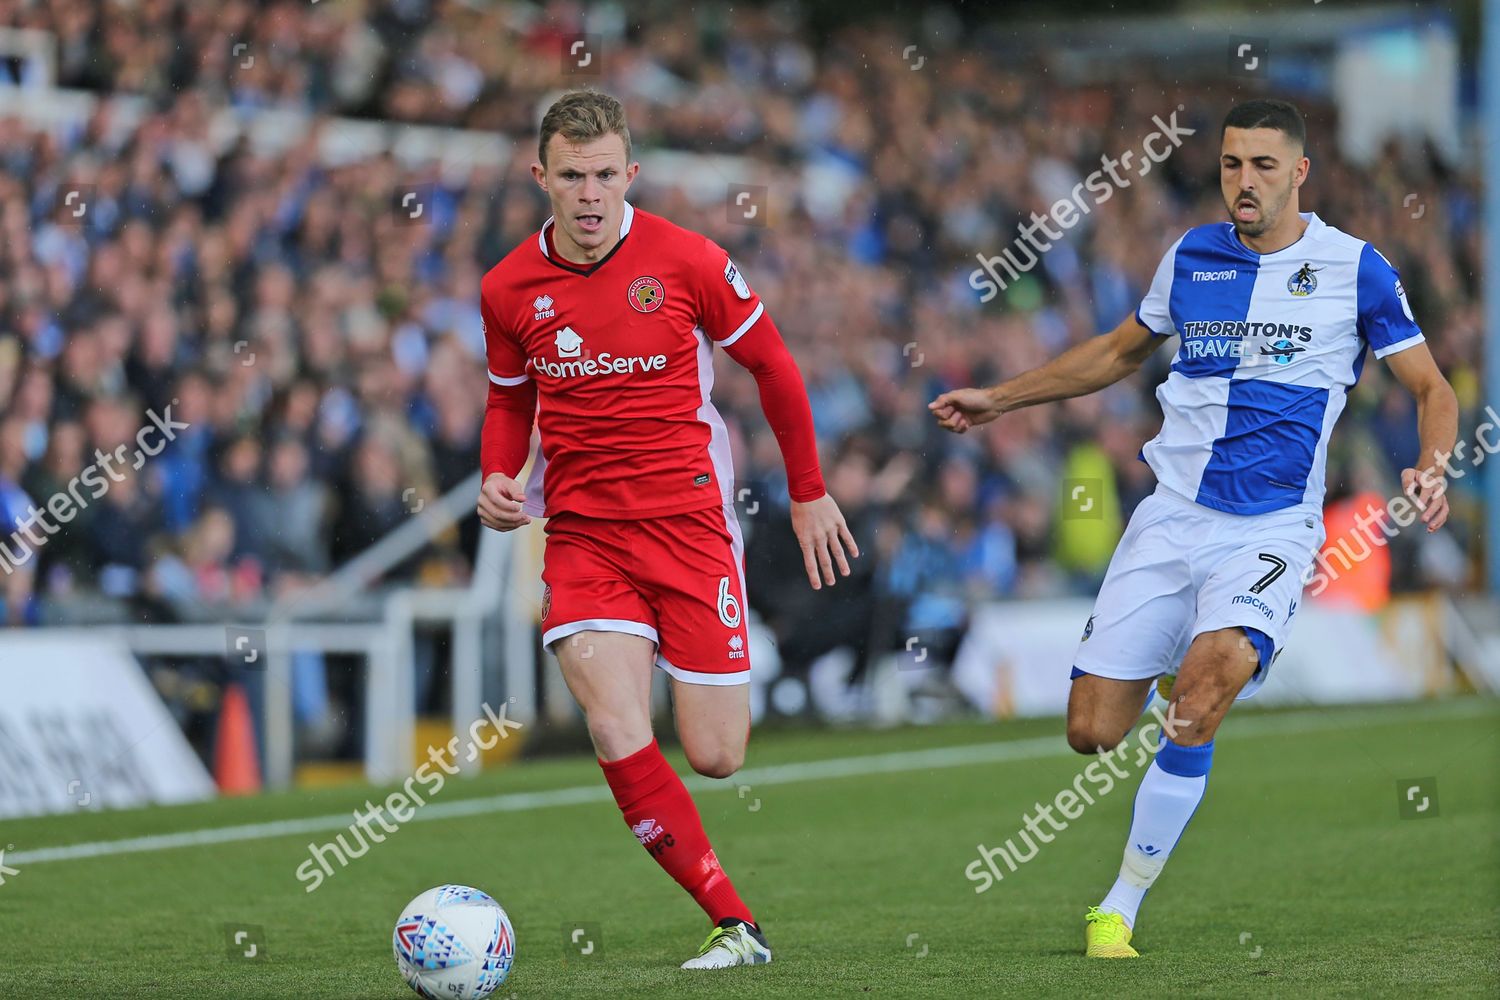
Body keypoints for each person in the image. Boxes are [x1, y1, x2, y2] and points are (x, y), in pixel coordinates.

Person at [929, 98, 1457, 958]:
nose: (1242, 182)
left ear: (1298, 173)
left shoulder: (1355, 269)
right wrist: (1002, 397)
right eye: (1230, 165)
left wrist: (1429, 464)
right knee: (1092, 731)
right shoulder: (1192, 256)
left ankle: (1120, 905)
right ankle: (1192, 644)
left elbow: (1433, 388)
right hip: (1170, 519)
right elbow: (1118, 351)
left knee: (1202, 693)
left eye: (1260, 165)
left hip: (1273, 528)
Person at [476, 89, 857, 970]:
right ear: (542, 177)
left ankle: (729, 902)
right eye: (571, 176)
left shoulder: (688, 261)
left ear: (631, 175)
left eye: (606, 174)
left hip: (690, 527)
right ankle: (734, 921)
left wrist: (807, 491)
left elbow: (773, 364)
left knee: (717, 755)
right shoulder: (506, 288)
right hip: (582, 535)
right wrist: (500, 476)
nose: (590, 194)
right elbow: (508, 401)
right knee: (615, 725)